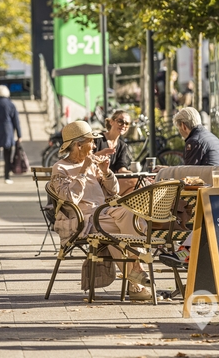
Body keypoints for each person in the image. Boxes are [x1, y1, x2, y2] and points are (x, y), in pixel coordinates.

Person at [51, 120, 153, 301]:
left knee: (131, 215)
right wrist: (82, 171)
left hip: (104, 213)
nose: (95, 145)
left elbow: (113, 191)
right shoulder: (60, 168)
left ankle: (136, 271)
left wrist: (106, 172)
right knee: (120, 232)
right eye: (91, 141)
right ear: (78, 144)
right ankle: (136, 279)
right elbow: (69, 198)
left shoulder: (91, 163)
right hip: (84, 219)